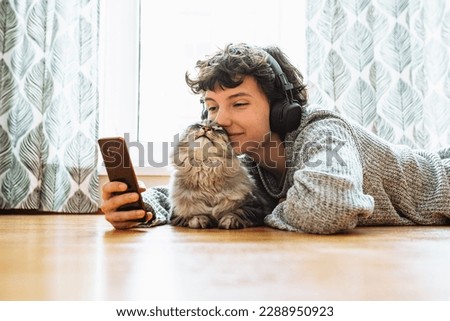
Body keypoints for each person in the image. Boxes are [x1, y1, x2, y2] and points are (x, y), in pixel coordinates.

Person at [101, 43, 450, 234]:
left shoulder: (323, 132)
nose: (219, 120)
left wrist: (258, 213)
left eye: (238, 103)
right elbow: (204, 195)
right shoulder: (252, 159)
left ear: (281, 108)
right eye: (210, 107)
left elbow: (328, 209)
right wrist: (144, 209)